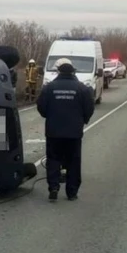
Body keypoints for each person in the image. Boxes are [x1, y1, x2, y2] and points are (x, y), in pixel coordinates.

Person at [35, 57, 95, 201]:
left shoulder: (49, 88)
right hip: (74, 133)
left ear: (58, 72)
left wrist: (49, 116)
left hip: (54, 131)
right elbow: (89, 108)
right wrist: (83, 120)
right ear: (73, 72)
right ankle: (72, 192)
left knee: (54, 159)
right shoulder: (82, 88)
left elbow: (41, 106)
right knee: (73, 161)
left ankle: (54, 187)